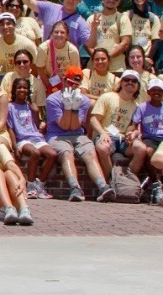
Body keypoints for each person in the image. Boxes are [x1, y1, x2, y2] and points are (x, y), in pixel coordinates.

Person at [42, 68, 113, 202]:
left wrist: (74, 108)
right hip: (57, 135)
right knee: (67, 153)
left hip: (77, 134)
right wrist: (68, 107)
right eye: (70, 83)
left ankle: (102, 186)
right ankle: (75, 188)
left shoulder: (83, 100)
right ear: (63, 80)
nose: (73, 87)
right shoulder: (53, 99)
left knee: (90, 153)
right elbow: (64, 126)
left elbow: (75, 126)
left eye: (76, 84)